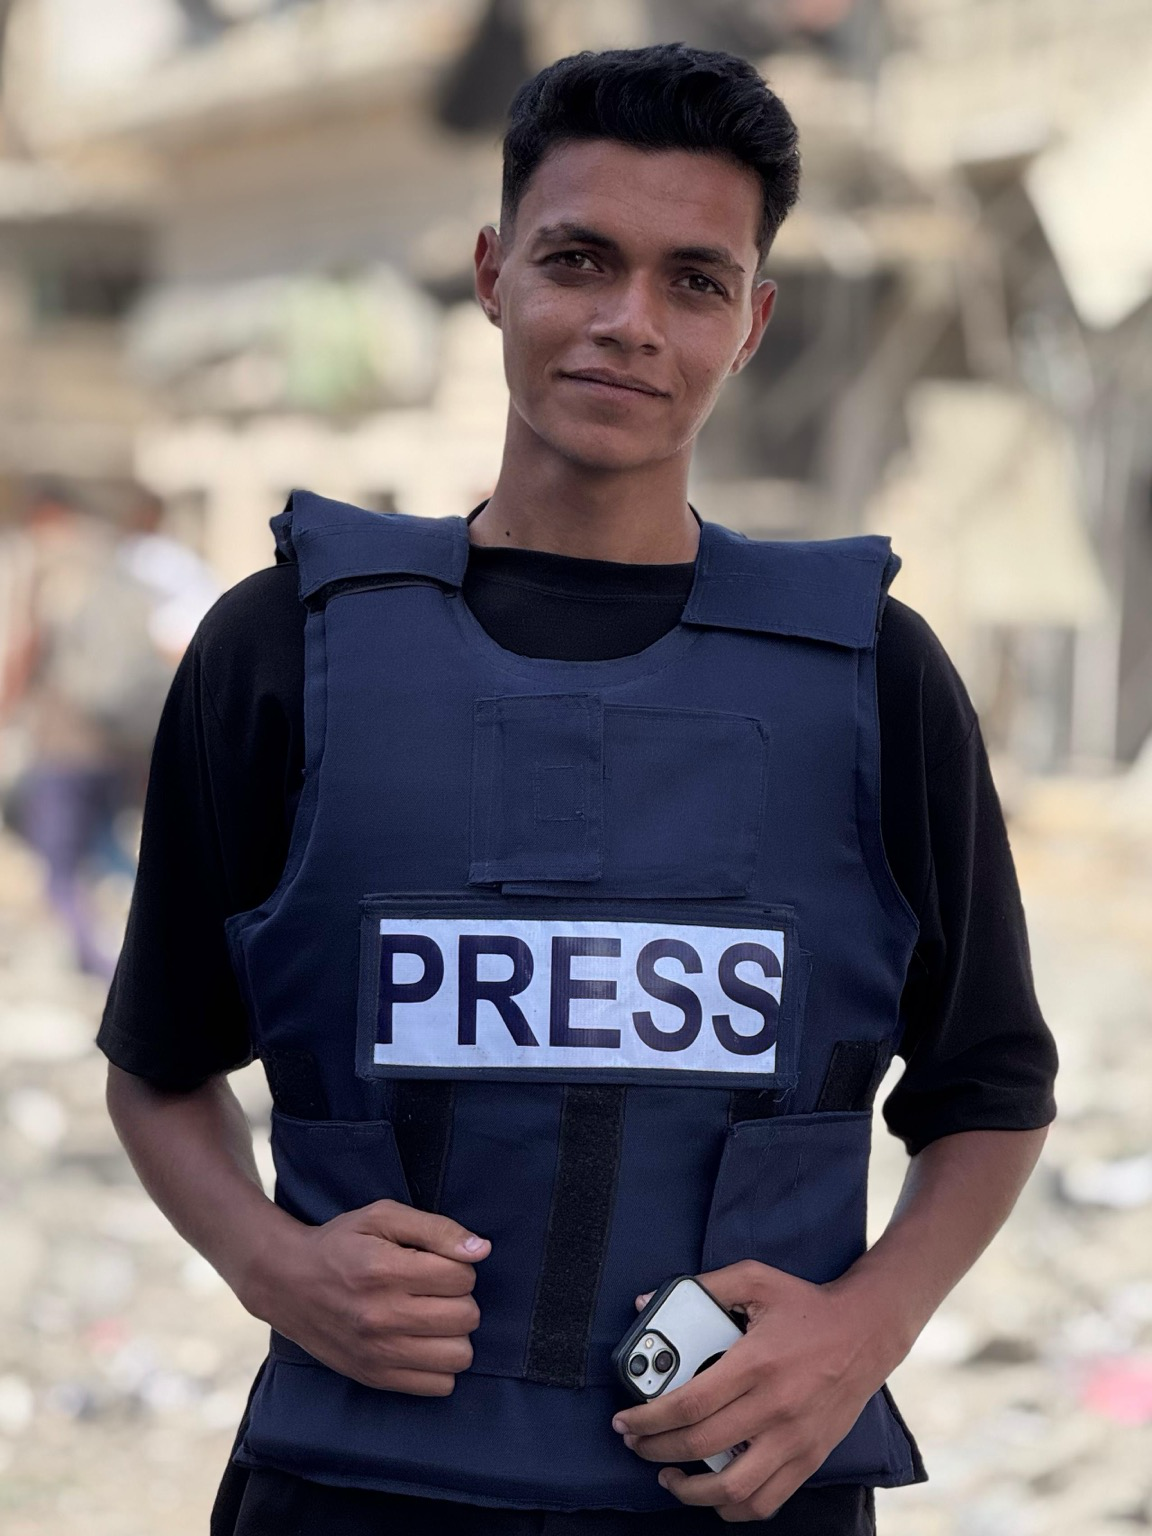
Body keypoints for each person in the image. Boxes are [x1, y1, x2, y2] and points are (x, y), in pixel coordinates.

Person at [97, 43, 1058, 1536]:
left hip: (739, 1495)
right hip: (355, 1490)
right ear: (493, 273)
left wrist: (864, 1332)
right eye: (580, 260)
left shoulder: (876, 673)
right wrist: (269, 1263)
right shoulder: (282, 646)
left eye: (695, 281)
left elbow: (990, 1093)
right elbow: (157, 1061)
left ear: (753, 322)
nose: (630, 322)